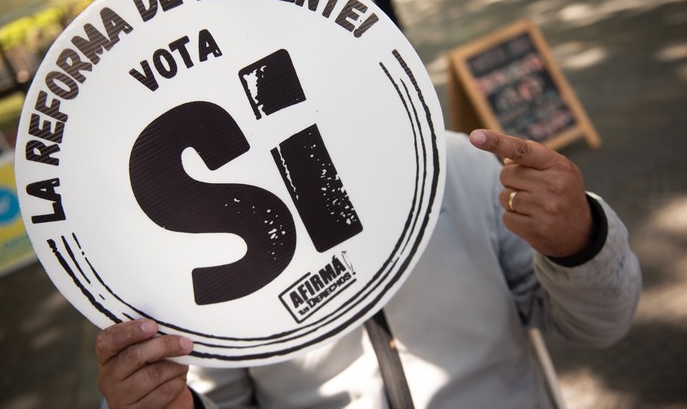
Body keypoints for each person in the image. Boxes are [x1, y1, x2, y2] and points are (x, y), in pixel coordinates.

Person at [96, 129, 642, 408]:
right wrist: (169, 402)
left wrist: (581, 239)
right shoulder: (192, 262)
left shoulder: (455, 166)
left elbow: (600, 325)